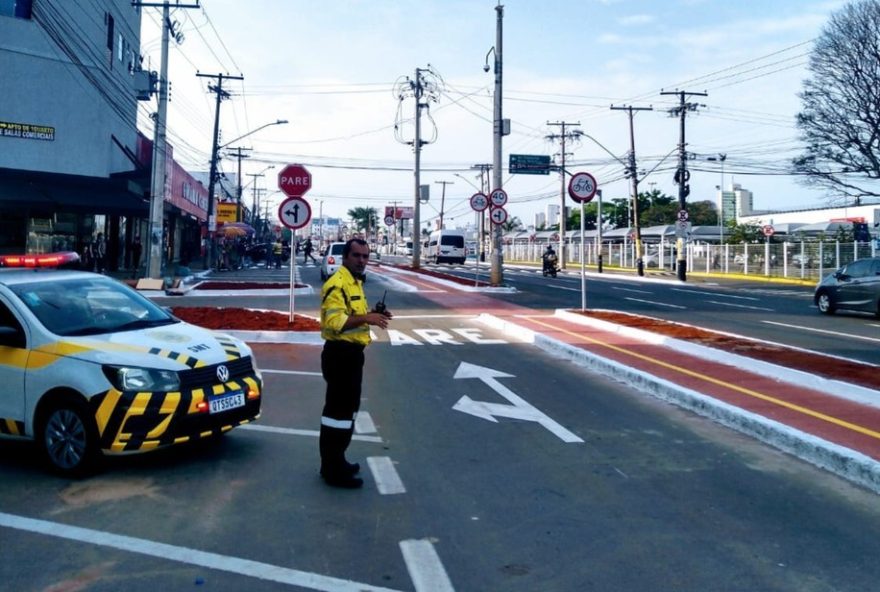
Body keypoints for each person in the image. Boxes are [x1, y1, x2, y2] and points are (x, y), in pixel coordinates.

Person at [318, 238, 392, 488]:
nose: (361, 260)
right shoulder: (337, 284)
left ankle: (337, 459)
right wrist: (367, 318)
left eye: (365, 256)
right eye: (356, 256)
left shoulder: (353, 282)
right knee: (337, 413)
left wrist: (373, 314)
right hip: (340, 355)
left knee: (346, 410)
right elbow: (335, 322)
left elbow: (352, 315)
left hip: (352, 355)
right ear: (345, 257)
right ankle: (331, 468)